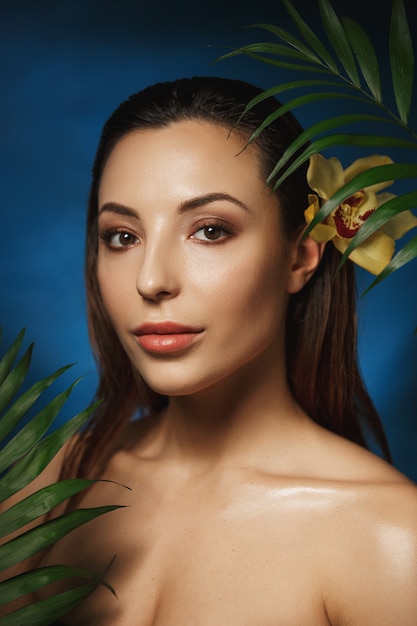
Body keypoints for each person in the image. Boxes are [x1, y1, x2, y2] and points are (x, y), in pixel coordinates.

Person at [2, 76, 417, 624]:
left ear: (299, 257)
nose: (151, 281)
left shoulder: (391, 540)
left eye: (211, 230)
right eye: (122, 236)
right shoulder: (49, 487)